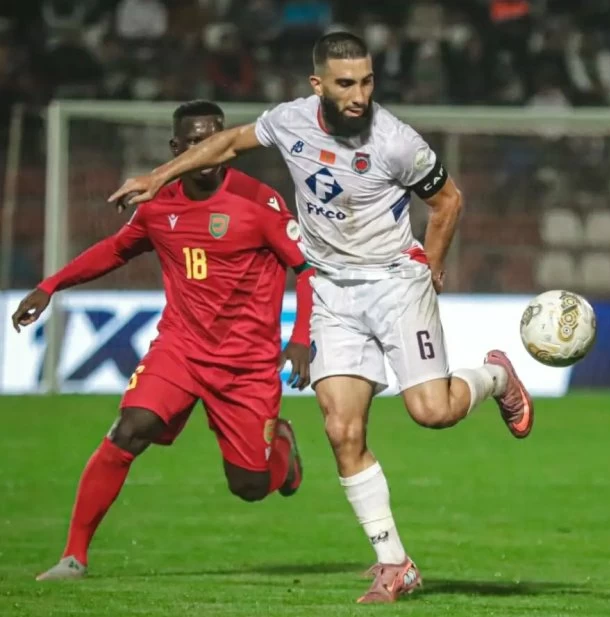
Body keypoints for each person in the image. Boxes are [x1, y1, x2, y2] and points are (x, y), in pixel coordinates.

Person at [106, 33, 535, 604]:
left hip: (393, 282)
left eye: (367, 81)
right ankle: (395, 564)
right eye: (346, 84)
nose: (360, 95)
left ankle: (497, 376)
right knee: (341, 430)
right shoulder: (290, 121)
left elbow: (449, 201)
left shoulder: (396, 142)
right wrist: (159, 176)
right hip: (332, 289)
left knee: (433, 412)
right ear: (318, 86)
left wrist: (430, 266)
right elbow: (231, 143)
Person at [13, 100, 314, 581]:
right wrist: (51, 285)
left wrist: (300, 339)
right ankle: (74, 556)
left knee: (251, 486)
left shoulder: (260, 203)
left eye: (216, 137)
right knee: (129, 429)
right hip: (180, 349)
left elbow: (307, 270)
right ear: (177, 149)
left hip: (246, 365)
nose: (208, 148)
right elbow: (115, 250)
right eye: (195, 141)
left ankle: (282, 449)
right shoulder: (158, 204)